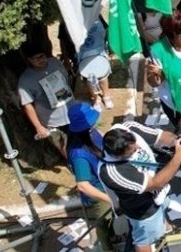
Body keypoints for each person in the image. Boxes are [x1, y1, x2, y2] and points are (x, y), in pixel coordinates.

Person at [99, 122, 181, 252]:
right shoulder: (112, 172)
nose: (138, 147)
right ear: (118, 156)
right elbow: (154, 184)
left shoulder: (128, 128)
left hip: (159, 194)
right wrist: (179, 156)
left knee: (160, 220)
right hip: (144, 210)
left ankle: (164, 236)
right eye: (133, 151)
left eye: (135, 143)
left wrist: (179, 140)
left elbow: (161, 136)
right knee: (144, 240)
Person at [66, 103, 114, 251]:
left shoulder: (92, 133)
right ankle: (107, 247)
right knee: (104, 223)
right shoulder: (79, 154)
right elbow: (83, 185)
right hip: (99, 193)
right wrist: (111, 200)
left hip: (107, 183)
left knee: (113, 219)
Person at [18, 38, 74, 158]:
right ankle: (72, 163)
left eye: (42, 56)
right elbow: (27, 105)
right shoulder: (25, 81)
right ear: (29, 60)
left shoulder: (55, 62)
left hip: (71, 111)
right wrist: (38, 127)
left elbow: (66, 79)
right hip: (53, 121)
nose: (41, 60)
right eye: (36, 58)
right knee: (63, 145)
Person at [75, 18, 115, 111]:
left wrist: (111, 48)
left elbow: (107, 31)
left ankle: (106, 96)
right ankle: (96, 99)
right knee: (90, 80)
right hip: (84, 55)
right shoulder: (74, 18)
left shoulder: (98, 17)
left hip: (99, 52)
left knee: (103, 77)